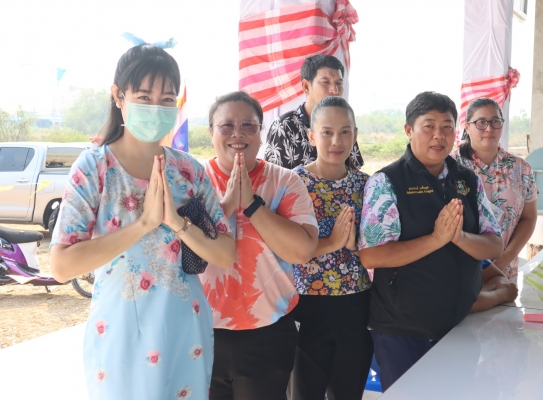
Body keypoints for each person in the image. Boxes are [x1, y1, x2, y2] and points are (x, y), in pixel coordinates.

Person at [49, 44, 236, 399]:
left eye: (166, 100)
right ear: (118, 96)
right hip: (119, 332)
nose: (156, 108)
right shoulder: (94, 169)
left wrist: (177, 223)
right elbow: (61, 266)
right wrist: (143, 224)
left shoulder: (189, 170)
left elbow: (225, 253)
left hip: (185, 328)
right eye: (144, 97)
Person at [358, 91, 504, 391]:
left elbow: (494, 244)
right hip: (403, 331)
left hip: (458, 326)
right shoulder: (387, 182)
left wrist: (459, 237)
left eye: (447, 127)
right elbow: (372, 255)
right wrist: (437, 238)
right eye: (429, 126)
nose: (439, 135)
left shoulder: (467, 180)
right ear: (409, 130)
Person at [200, 91, 319, 400]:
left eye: (248, 125)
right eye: (227, 125)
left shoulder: (286, 182)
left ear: (261, 132)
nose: (238, 134)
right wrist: (227, 204)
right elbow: (181, 253)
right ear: (211, 132)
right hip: (200, 329)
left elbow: (302, 251)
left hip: (268, 331)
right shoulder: (193, 182)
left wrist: (252, 204)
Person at [290, 96, 372, 400]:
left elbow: (378, 248)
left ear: (355, 134)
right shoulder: (293, 183)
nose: (337, 141)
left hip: (356, 306)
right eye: (327, 132)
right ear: (312, 136)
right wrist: (333, 243)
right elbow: (284, 247)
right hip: (306, 305)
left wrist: (353, 245)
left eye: (345, 132)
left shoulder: (368, 185)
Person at [451, 97, 538, 282]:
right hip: (458, 274)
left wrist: (504, 259)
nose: (489, 128)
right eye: (481, 122)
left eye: (495, 121)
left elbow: (529, 218)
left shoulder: (521, 168)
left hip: (505, 272)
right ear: (467, 126)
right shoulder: (449, 166)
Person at [264, 54, 363, 170]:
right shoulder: (284, 126)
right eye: (325, 82)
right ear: (306, 86)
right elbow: (272, 177)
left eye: (339, 83)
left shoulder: (344, 122)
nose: (334, 90)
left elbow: (354, 171)